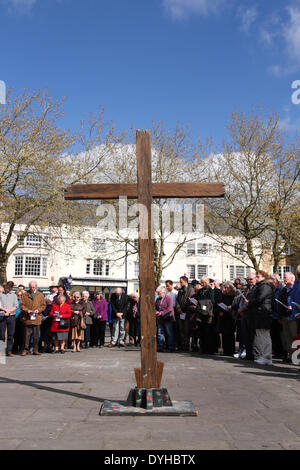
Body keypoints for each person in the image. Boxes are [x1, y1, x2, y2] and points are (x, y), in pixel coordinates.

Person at [245, 270, 274, 366]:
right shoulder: (261, 286)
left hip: (264, 313)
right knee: (260, 335)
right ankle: (263, 356)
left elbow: (260, 298)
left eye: (258, 276)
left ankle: (266, 356)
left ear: (263, 277)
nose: (256, 278)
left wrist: (250, 302)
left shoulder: (265, 286)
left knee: (263, 336)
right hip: (260, 313)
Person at [20, 281, 46, 356]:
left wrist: (39, 310)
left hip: (37, 317)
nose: (32, 288)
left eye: (33, 287)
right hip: (28, 318)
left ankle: (35, 350)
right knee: (26, 336)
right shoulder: (25, 295)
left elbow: (43, 305)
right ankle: (25, 349)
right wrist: (27, 310)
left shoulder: (40, 295)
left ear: (36, 287)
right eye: (31, 287)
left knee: (36, 335)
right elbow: (22, 305)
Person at [278, 272, 296, 363]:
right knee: (287, 337)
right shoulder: (283, 290)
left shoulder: (296, 289)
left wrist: (293, 307)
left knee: (295, 337)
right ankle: (291, 355)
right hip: (285, 316)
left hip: (293, 317)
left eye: (286, 278)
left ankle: (297, 357)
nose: (284, 279)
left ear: (292, 279)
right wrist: (280, 316)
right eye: (284, 278)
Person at [240, 273, 257, 361]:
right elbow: (242, 299)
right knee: (245, 336)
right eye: (248, 279)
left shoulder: (256, 289)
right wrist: (241, 309)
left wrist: (244, 308)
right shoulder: (246, 288)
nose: (249, 281)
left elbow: (253, 301)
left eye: (251, 279)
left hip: (251, 314)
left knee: (252, 336)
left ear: (255, 279)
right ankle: (248, 354)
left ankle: (254, 354)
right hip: (244, 315)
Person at [217, 282, 237, 357]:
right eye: (225, 287)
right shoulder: (223, 295)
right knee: (224, 334)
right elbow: (220, 303)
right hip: (223, 317)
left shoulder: (234, 296)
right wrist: (221, 311)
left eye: (227, 287)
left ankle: (231, 350)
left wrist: (230, 307)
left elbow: (235, 305)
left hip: (230, 317)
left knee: (230, 334)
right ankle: (225, 350)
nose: (225, 289)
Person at [176, 276, 195, 351]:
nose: (180, 283)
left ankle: (187, 344)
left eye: (181, 281)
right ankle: (182, 344)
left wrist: (183, 309)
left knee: (186, 329)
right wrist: (178, 308)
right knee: (181, 329)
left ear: (185, 281)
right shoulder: (180, 290)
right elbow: (177, 300)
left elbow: (190, 300)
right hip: (180, 313)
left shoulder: (191, 289)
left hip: (187, 312)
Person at [0, 281, 18, 357]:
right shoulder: (0, 294)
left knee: (11, 334)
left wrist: (9, 311)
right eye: (6, 288)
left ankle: (9, 351)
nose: (7, 290)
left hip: (11, 316)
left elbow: (16, 306)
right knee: (1, 335)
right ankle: (1, 351)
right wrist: (5, 310)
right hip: (2, 316)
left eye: (9, 288)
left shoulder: (14, 295)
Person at [155, 286, 175, 353]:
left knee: (169, 333)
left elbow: (170, 308)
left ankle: (170, 347)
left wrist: (162, 313)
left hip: (168, 318)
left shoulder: (168, 298)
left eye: (159, 293)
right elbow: (155, 307)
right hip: (160, 319)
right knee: (160, 333)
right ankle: (160, 346)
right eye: (158, 293)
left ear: (164, 292)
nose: (158, 294)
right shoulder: (158, 299)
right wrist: (156, 312)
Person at [12, 289, 24, 353]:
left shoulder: (23, 301)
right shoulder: (14, 301)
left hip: (21, 319)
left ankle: (21, 347)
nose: (19, 296)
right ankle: (15, 347)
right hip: (14, 318)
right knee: (15, 334)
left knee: (21, 334)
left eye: (21, 295)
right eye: (18, 295)